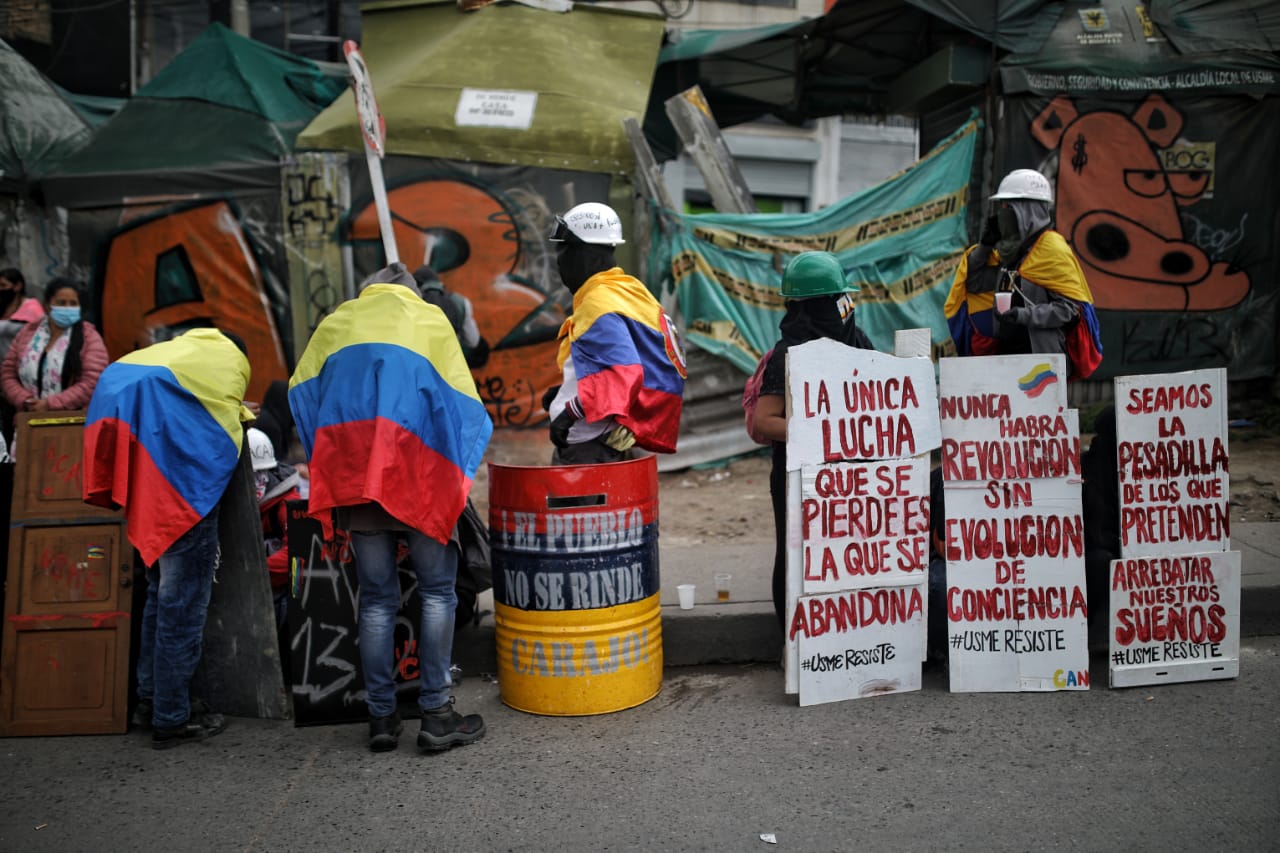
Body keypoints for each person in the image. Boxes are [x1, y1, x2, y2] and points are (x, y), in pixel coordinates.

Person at [288, 262, 493, 754]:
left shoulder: (338, 323)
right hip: (420, 474)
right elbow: (464, 402)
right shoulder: (427, 320)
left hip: (359, 479)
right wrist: (453, 469)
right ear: (411, 293)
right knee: (439, 592)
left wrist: (331, 458)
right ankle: (436, 713)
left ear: (368, 292)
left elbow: (301, 393)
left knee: (377, 600)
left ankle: (381, 720)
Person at [83, 328, 253, 748]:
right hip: (182, 498)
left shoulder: (181, 355)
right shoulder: (227, 361)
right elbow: (221, 423)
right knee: (182, 608)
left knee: (159, 598)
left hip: (149, 486)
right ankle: (172, 716)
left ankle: (149, 700)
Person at [750, 251, 875, 629]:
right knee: (795, 557)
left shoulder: (859, 342)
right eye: (836, 300)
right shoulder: (786, 356)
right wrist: (826, 430)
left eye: (845, 299)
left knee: (844, 555)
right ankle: (793, 641)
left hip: (849, 477)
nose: (846, 307)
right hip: (797, 479)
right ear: (813, 308)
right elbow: (765, 421)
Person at [544, 201, 686, 465]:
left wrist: (570, 412)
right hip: (607, 441)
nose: (559, 261)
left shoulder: (599, 302)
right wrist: (565, 391)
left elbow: (625, 374)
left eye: (564, 250)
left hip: (587, 445)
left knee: (579, 508)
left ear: (587, 255)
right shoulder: (629, 291)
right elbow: (614, 362)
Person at [944, 168, 1103, 378]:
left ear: (1027, 210)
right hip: (1007, 360)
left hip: (1042, 367)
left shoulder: (1051, 249)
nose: (1002, 211)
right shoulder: (1009, 253)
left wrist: (1023, 316)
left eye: (1008, 206)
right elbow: (973, 284)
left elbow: (1070, 311)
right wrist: (984, 246)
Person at [1, 277, 108, 415]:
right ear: (47, 305)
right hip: (27, 421)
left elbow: (92, 381)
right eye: (61, 303)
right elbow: (8, 372)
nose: (67, 308)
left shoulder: (89, 338)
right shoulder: (27, 333)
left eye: (73, 303)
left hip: (71, 424)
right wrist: (25, 401)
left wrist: (50, 404)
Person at [248, 426, 302, 629]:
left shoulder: (287, 505)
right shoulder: (225, 503)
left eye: (261, 473)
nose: (257, 481)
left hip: (276, 597)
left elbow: (296, 554)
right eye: (252, 474)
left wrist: (251, 574)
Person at [412, 264, 490, 368]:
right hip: (449, 366)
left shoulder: (411, 300)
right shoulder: (462, 302)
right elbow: (473, 341)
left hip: (418, 364)